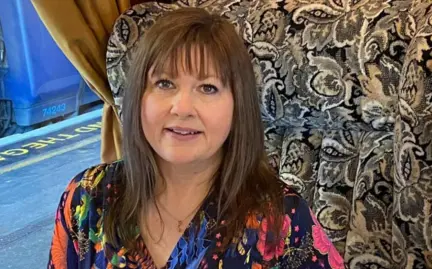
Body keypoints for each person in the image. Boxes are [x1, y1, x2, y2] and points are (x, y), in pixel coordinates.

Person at [47, 7, 344, 269]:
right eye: (164, 83)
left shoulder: (283, 218)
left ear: (237, 106)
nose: (183, 108)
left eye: (208, 88)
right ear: (138, 97)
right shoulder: (86, 199)